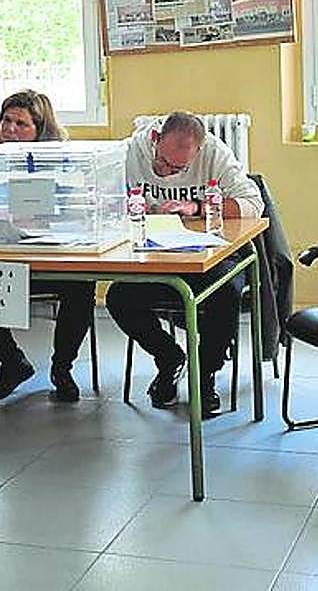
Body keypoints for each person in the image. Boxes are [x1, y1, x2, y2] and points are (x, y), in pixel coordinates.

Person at [106, 112, 263, 417]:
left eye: (179, 168)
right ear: (155, 140)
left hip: (209, 253)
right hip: (155, 257)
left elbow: (253, 206)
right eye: (162, 162)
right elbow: (101, 196)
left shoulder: (215, 153)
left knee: (226, 292)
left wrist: (197, 207)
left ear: (198, 151)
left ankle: (204, 375)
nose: (167, 172)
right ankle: (168, 358)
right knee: (119, 297)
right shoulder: (129, 152)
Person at [0, 89, 98, 402]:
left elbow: (76, 206)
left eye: (21, 124)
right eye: (6, 121)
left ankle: (62, 368)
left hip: (51, 253)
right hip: (1, 251)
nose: (10, 129)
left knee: (82, 285)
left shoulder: (58, 158)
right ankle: (12, 361)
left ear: (40, 128)